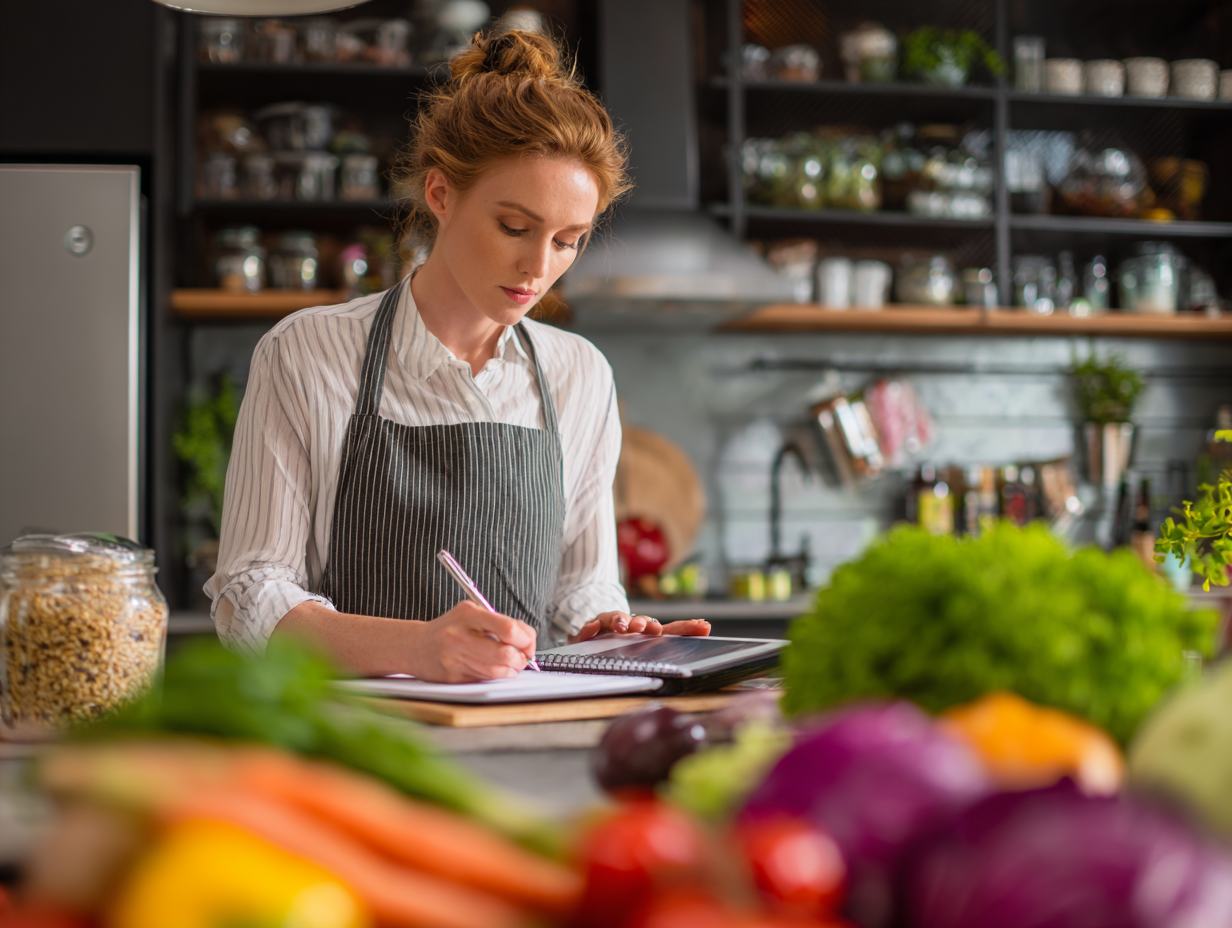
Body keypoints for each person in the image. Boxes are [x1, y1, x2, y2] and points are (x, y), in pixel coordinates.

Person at [205, 30, 710, 683]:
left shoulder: (579, 374)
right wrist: (415, 650)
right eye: (514, 227)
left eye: (569, 241)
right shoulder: (310, 352)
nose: (537, 268)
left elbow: (582, 587)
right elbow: (248, 595)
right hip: (354, 738)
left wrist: (604, 632)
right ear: (441, 195)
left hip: (521, 736)